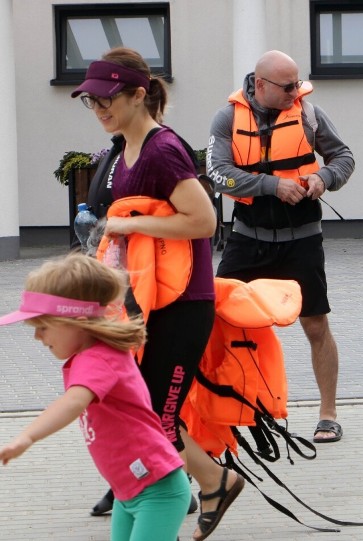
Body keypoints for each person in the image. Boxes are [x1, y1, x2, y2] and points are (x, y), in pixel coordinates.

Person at [71, 48, 244, 541]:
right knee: (141, 408)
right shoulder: (123, 149)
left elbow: (204, 221)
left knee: (155, 415)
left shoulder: (162, 149)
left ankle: (209, 482)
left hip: (183, 304)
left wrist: (127, 223)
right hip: (148, 301)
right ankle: (179, 486)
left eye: (108, 99)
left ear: (138, 94)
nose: (100, 109)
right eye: (92, 102)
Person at [207, 50, 354, 443]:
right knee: (219, 322)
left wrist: (324, 178)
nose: (296, 91)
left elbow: (344, 157)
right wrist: (272, 185)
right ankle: (222, 411)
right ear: (260, 84)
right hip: (247, 240)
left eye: (297, 84)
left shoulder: (309, 114)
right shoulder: (227, 118)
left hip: (302, 240)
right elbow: (219, 175)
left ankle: (328, 414)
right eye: (287, 86)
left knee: (316, 324)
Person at [0, 254, 190, 541]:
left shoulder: (99, 358)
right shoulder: (91, 355)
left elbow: (73, 402)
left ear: (75, 320)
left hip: (157, 489)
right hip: (130, 489)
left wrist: (27, 437)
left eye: (43, 326)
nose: (37, 337)